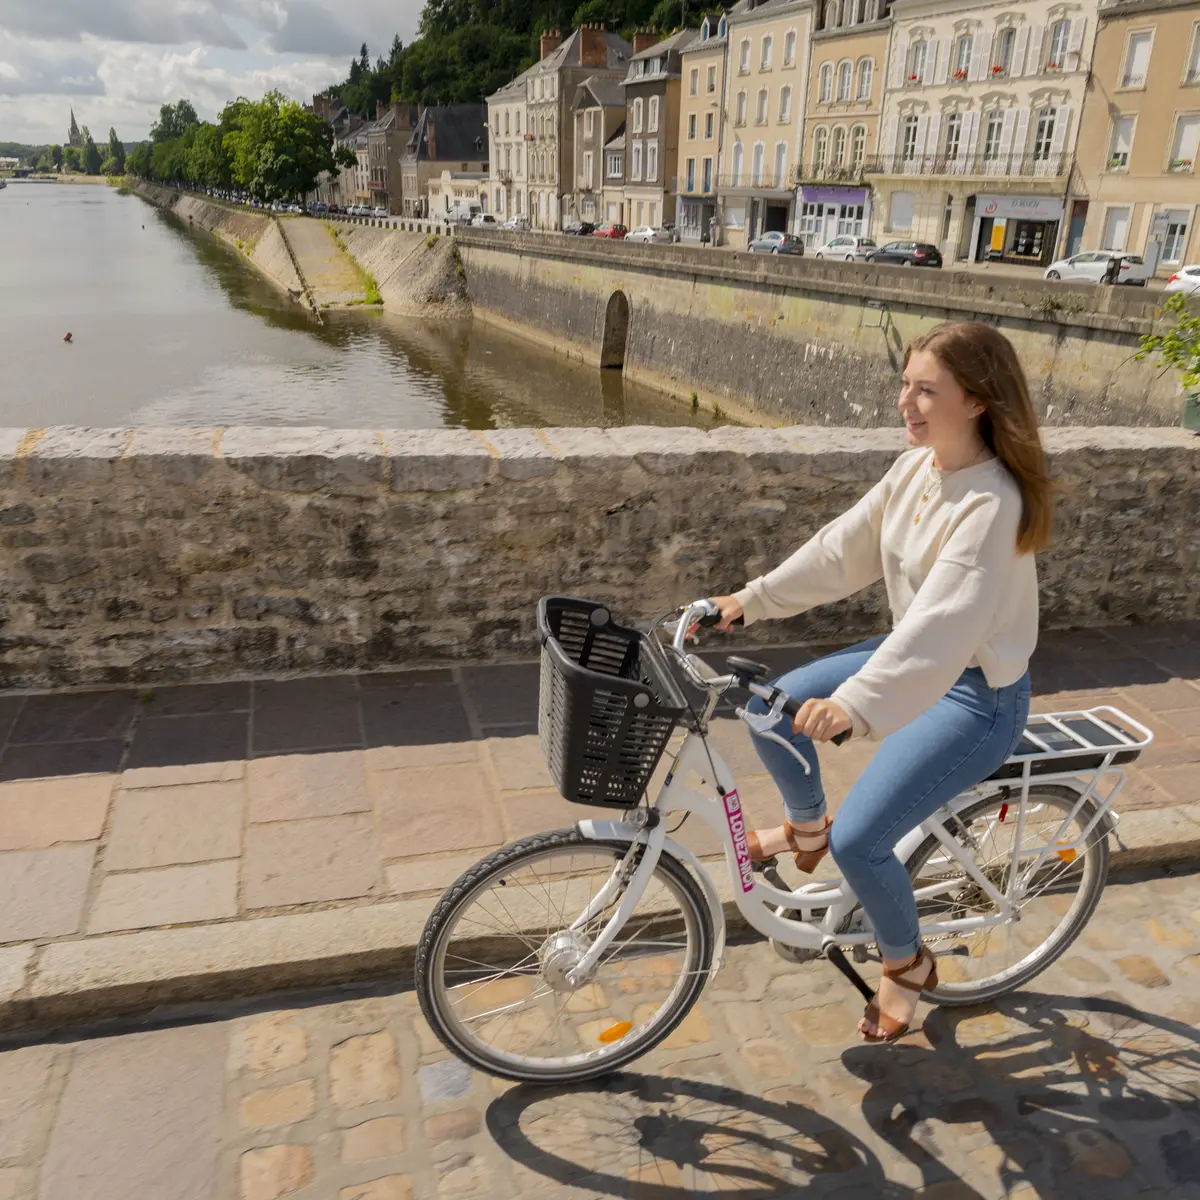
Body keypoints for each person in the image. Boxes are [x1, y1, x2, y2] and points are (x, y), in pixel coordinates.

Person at [708, 321, 1051, 1043]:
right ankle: (806, 828)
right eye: (905, 384)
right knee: (770, 710)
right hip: (914, 657)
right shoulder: (917, 468)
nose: (907, 402)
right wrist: (752, 598)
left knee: (862, 839)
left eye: (927, 389)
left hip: (976, 694)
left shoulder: (991, 505)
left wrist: (854, 707)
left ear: (978, 400)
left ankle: (907, 965)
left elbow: (944, 630)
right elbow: (844, 547)